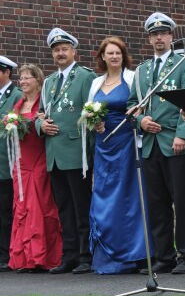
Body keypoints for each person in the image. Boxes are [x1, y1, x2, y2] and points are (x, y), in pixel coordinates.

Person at [127, 12, 185, 275]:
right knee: (157, 204)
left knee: (182, 202)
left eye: (163, 33)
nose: (159, 38)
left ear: (171, 36)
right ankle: (164, 255)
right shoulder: (142, 70)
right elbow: (132, 104)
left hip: (175, 142)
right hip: (151, 144)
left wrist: (183, 133)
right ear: (149, 39)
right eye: (154, 34)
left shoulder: (184, 63)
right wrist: (141, 121)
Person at [87, 36, 152, 274]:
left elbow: (141, 107)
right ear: (102, 57)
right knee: (104, 194)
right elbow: (88, 112)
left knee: (130, 196)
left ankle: (136, 255)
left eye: (118, 53)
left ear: (123, 56)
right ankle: (108, 254)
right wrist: (93, 122)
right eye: (110, 53)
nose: (114, 57)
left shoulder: (133, 78)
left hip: (127, 143)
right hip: (103, 146)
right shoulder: (96, 83)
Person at [36, 27, 95, 274]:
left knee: (81, 207)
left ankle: (85, 255)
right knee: (64, 209)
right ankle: (69, 256)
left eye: (64, 49)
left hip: (76, 152)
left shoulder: (85, 76)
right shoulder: (49, 82)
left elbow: (93, 112)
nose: (60, 53)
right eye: (56, 50)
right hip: (55, 154)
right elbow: (40, 114)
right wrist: (41, 126)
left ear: (74, 52)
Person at [8, 64, 62, 272]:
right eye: (21, 78)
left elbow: (46, 124)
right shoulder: (18, 104)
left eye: (27, 78)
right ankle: (25, 257)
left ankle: (41, 256)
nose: (22, 82)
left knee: (40, 205)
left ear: (38, 80)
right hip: (21, 163)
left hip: (39, 158)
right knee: (22, 207)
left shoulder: (43, 102)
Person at [0, 56, 22, 272]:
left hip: (7, 163)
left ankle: (5, 254)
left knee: (6, 211)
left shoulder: (16, 96)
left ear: (7, 72)